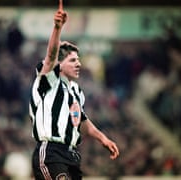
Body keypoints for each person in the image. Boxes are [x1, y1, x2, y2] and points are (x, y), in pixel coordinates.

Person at [29, 4, 119, 180]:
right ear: (60, 65)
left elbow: (82, 121)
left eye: (78, 60)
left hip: (71, 155)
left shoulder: (76, 91)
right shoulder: (48, 81)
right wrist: (57, 28)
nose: (78, 64)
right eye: (72, 60)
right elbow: (51, 56)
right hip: (51, 152)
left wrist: (103, 139)